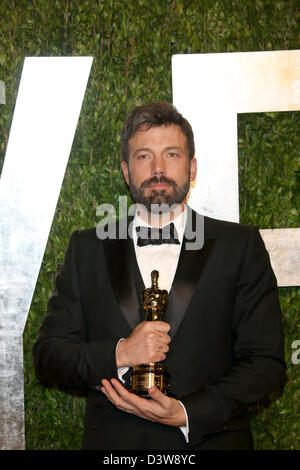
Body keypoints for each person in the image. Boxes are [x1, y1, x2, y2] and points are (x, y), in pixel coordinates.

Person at [33, 102, 286, 450]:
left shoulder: (239, 246)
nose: (157, 169)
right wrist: (120, 353)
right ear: (125, 170)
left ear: (192, 167)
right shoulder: (87, 248)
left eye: (171, 154)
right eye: (143, 157)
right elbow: (49, 356)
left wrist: (187, 412)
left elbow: (265, 362)